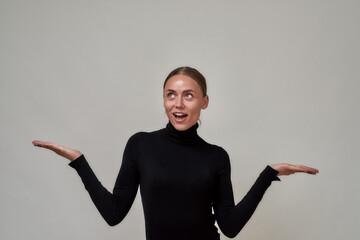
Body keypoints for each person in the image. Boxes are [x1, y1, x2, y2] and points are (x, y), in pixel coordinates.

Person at [32, 66, 319, 240]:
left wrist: (268, 175)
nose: (178, 104)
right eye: (171, 94)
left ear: (204, 102)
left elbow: (229, 226)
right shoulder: (140, 145)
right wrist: (79, 162)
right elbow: (114, 213)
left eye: (188, 95)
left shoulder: (216, 156)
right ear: (164, 99)